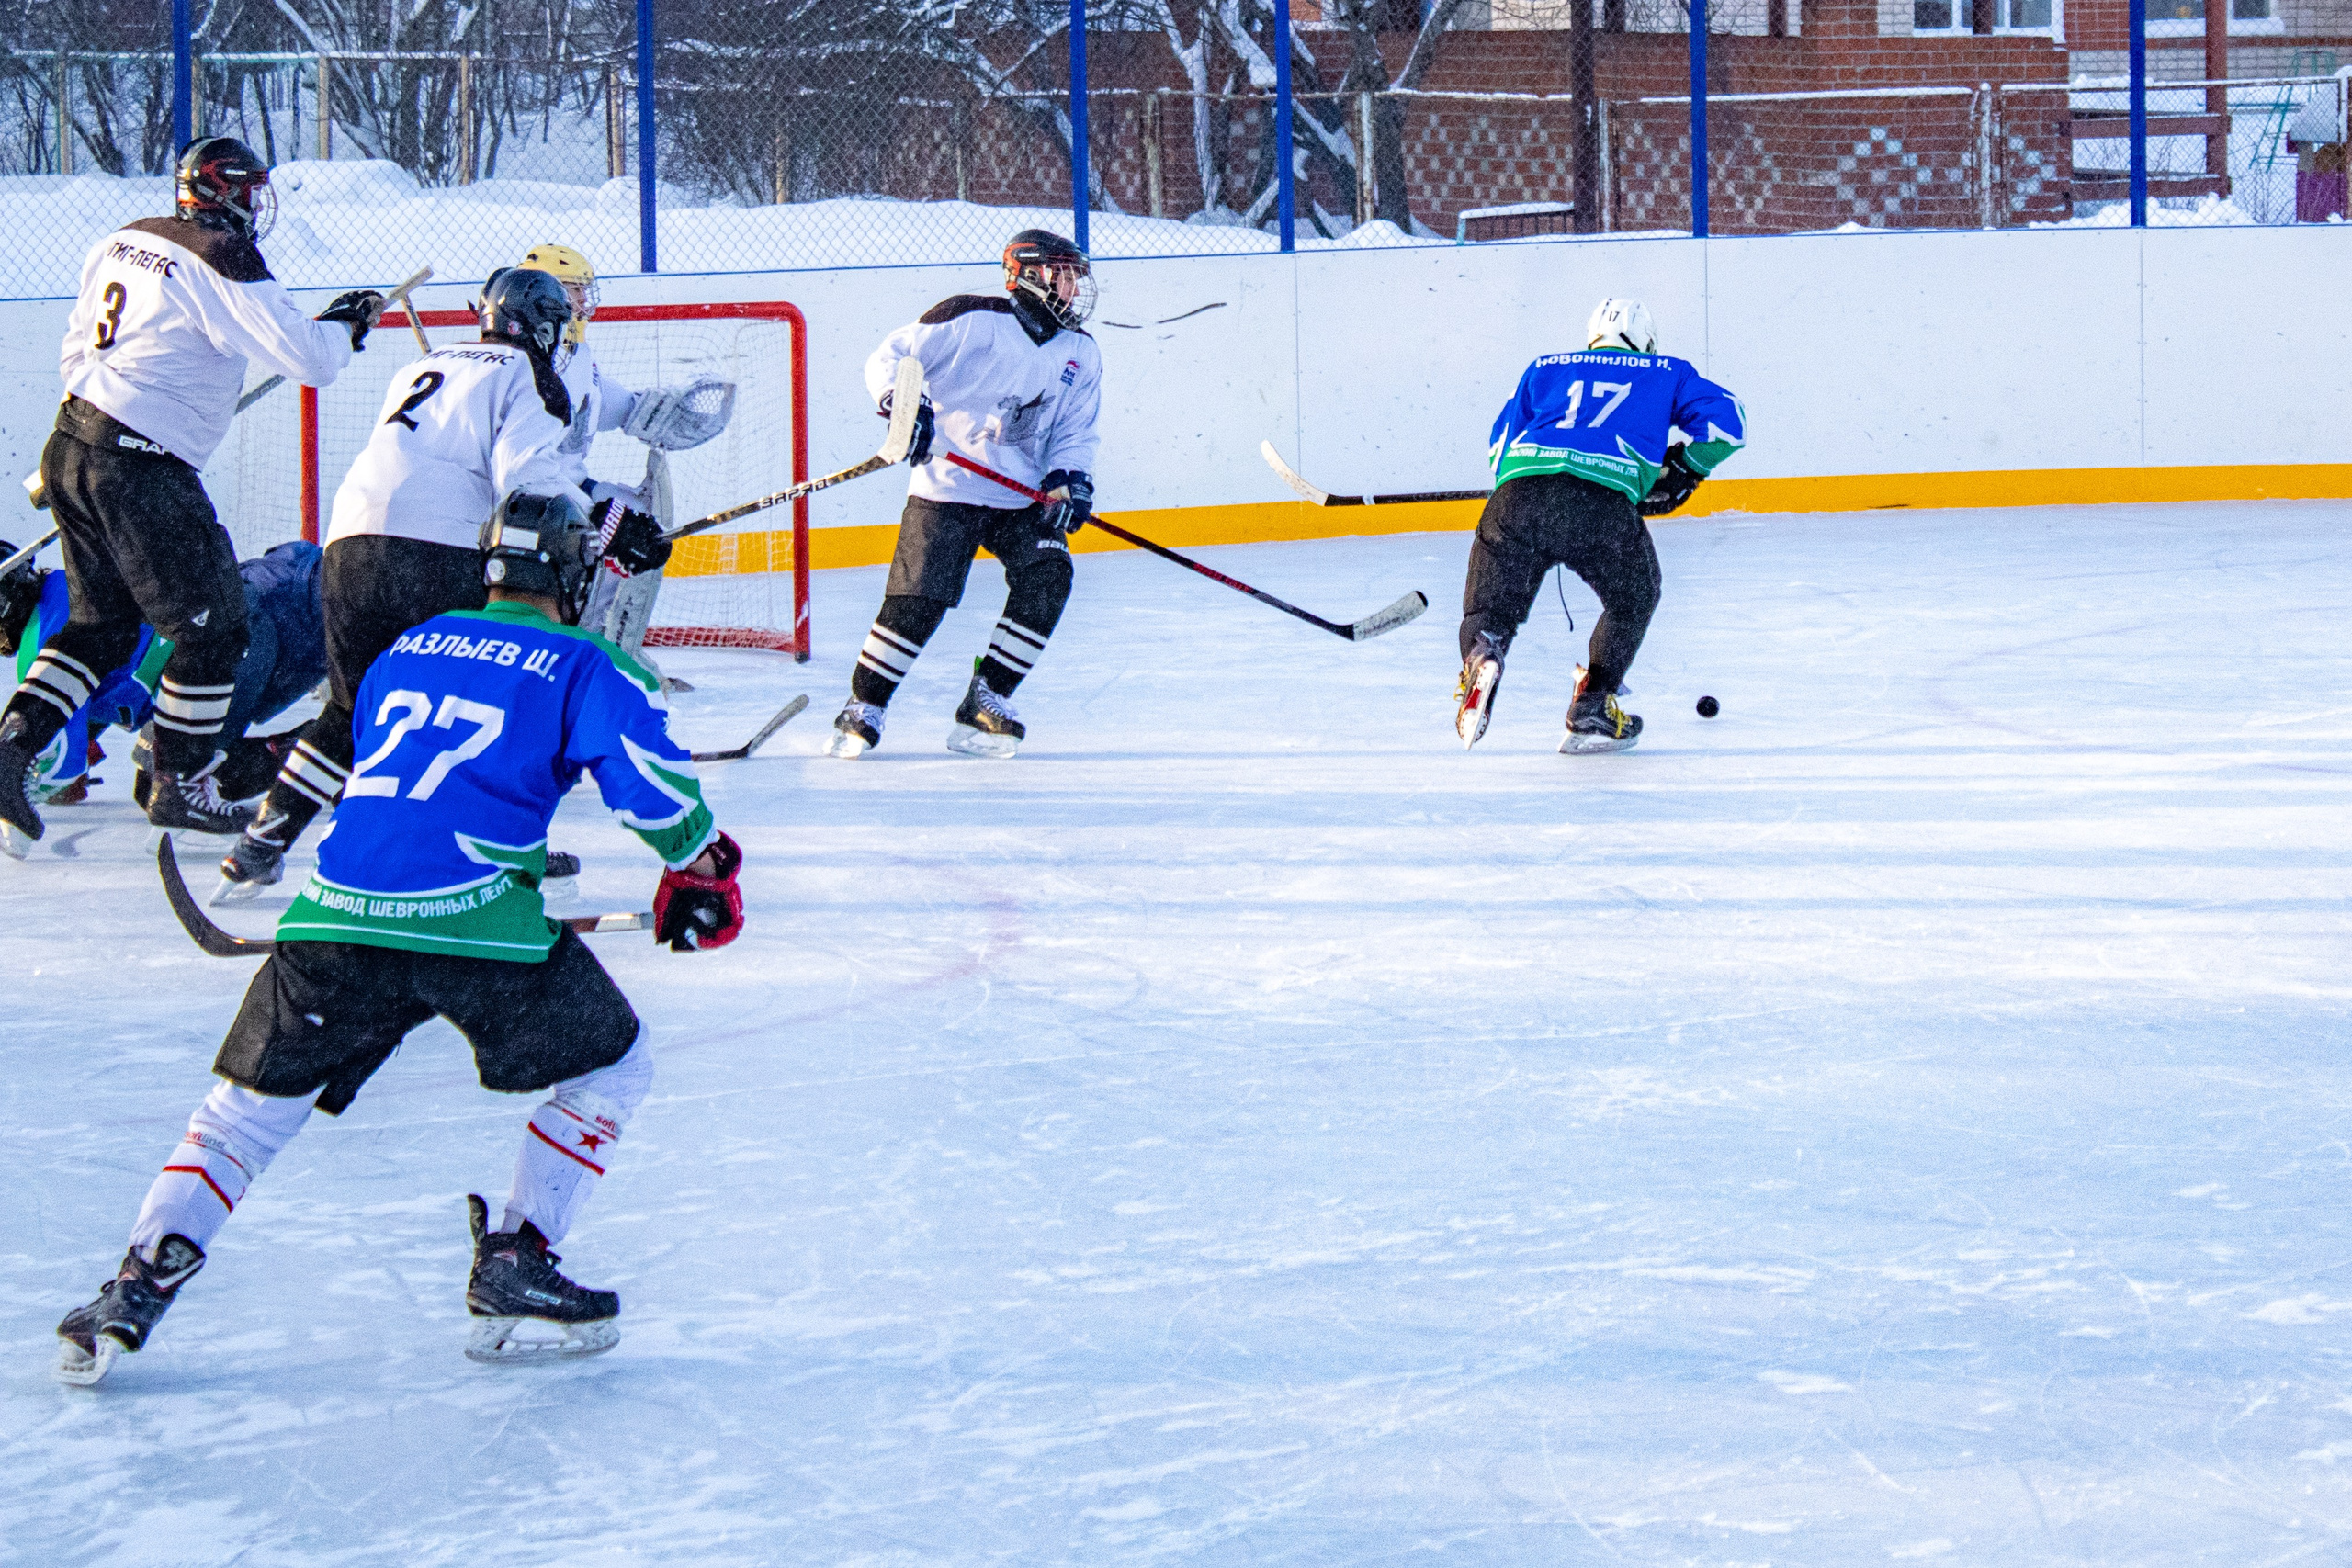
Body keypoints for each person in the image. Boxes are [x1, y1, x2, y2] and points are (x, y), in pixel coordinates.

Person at [54, 491, 746, 1384]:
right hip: (476, 921)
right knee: (614, 1067)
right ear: (572, 575)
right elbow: (651, 787)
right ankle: (517, 1256)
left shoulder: (407, 649)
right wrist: (702, 868)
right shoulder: (586, 662)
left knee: (240, 1118)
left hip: (335, 913)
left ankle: (133, 1286)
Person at [216, 268, 663, 902]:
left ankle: (258, 848)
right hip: (438, 551)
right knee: (473, 701)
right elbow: (525, 478)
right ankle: (495, 846)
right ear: (542, 325)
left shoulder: (426, 364)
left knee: (349, 708)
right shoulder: (535, 375)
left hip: (350, 542)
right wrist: (609, 518)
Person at [0, 138, 379, 844]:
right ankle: (180, 781)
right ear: (225, 192)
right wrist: (346, 323)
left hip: (71, 442)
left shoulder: (124, 238)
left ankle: (12, 747)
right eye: (250, 189)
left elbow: (76, 348)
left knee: (100, 626)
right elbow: (309, 358)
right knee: (217, 627)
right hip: (142, 468)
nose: (257, 204)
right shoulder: (222, 254)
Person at [823, 229, 1103, 761]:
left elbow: (1075, 429)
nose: (1072, 287)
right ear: (1027, 274)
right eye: (1061, 274)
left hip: (1020, 496)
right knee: (919, 600)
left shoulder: (1080, 351)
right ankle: (864, 705)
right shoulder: (973, 318)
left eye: (1075, 276)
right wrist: (906, 405)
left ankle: (987, 697)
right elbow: (893, 356)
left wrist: (1069, 477)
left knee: (1049, 577)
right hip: (948, 485)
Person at [1454, 298, 1746, 755]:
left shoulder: (1544, 367)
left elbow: (1499, 445)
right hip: (1600, 504)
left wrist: (1529, 496)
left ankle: (1482, 652)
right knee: (1635, 597)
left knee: (1490, 610)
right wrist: (1687, 466)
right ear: (1647, 342)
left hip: (1517, 497)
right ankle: (1593, 700)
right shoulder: (1667, 371)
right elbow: (1729, 424)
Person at [0, 538, 329, 840]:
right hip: (266, 594)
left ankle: (325, 751)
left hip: (248, 624)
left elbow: (64, 766)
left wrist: (32, 785)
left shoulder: (42, 643)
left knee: (175, 783)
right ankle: (322, 752)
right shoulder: (66, 586)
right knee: (163, 785)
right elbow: (81, 721)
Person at [512, 243, 730, 676]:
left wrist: (647, 412)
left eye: (583, 289)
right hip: (533, 498)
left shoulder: (575, 354)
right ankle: (585, 650)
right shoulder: (528, 359)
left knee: (645, 526)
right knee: (614, 535)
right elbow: (523, 464)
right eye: (574, 290)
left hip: (570, 485)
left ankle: (614, 644)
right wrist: (593, 512)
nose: (583, 300)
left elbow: (599, 403)